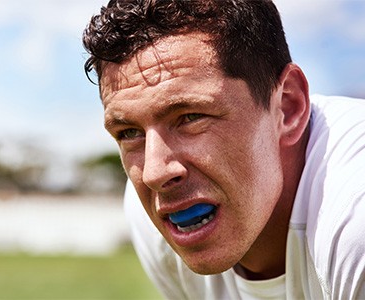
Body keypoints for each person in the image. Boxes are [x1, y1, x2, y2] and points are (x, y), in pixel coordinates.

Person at [83, 0, 365, 298]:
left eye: (190, 117)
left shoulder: (355, 213)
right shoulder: (152, 222)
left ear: (287, 107)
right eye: (129, 133)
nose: (155, 173)